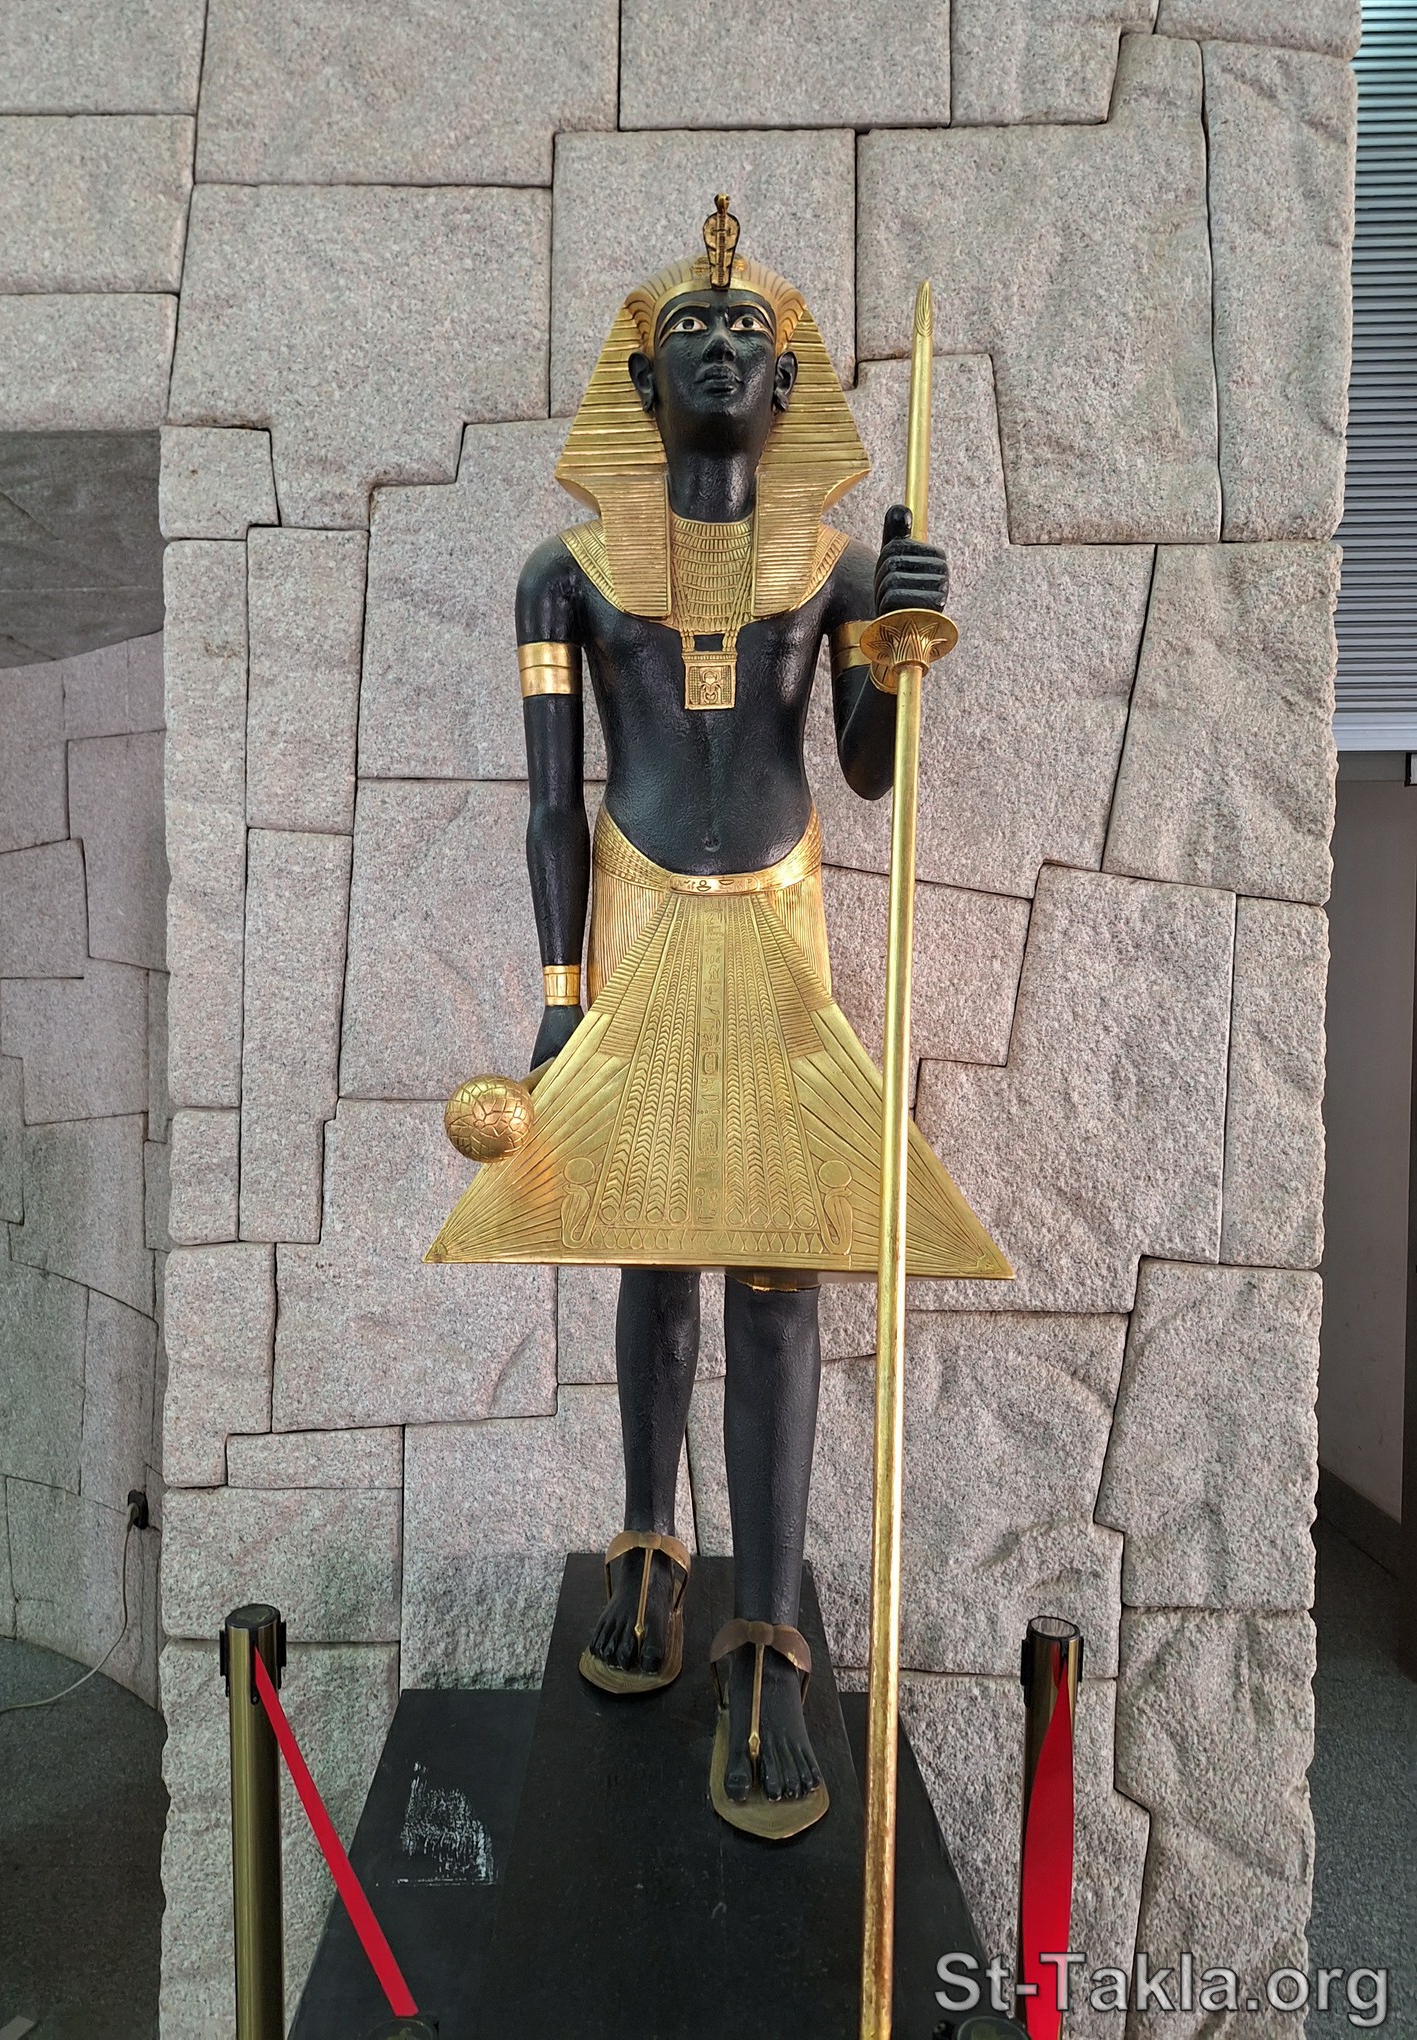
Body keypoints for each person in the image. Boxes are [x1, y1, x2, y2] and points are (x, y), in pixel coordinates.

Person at [432, 198, 949, 1839]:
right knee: (653, 1253)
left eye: (746, 333)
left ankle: (769, 1636)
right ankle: (651, 1543)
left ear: (788, 390)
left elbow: (864, 768)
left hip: (779, 922)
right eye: (689, 333)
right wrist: (560, 998)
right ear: (641, 385)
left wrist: (902, 637)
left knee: (779, 1279)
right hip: (638, 914)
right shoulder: (564, 577)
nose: (719, 347)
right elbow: (549, 801)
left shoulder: (835, 566)